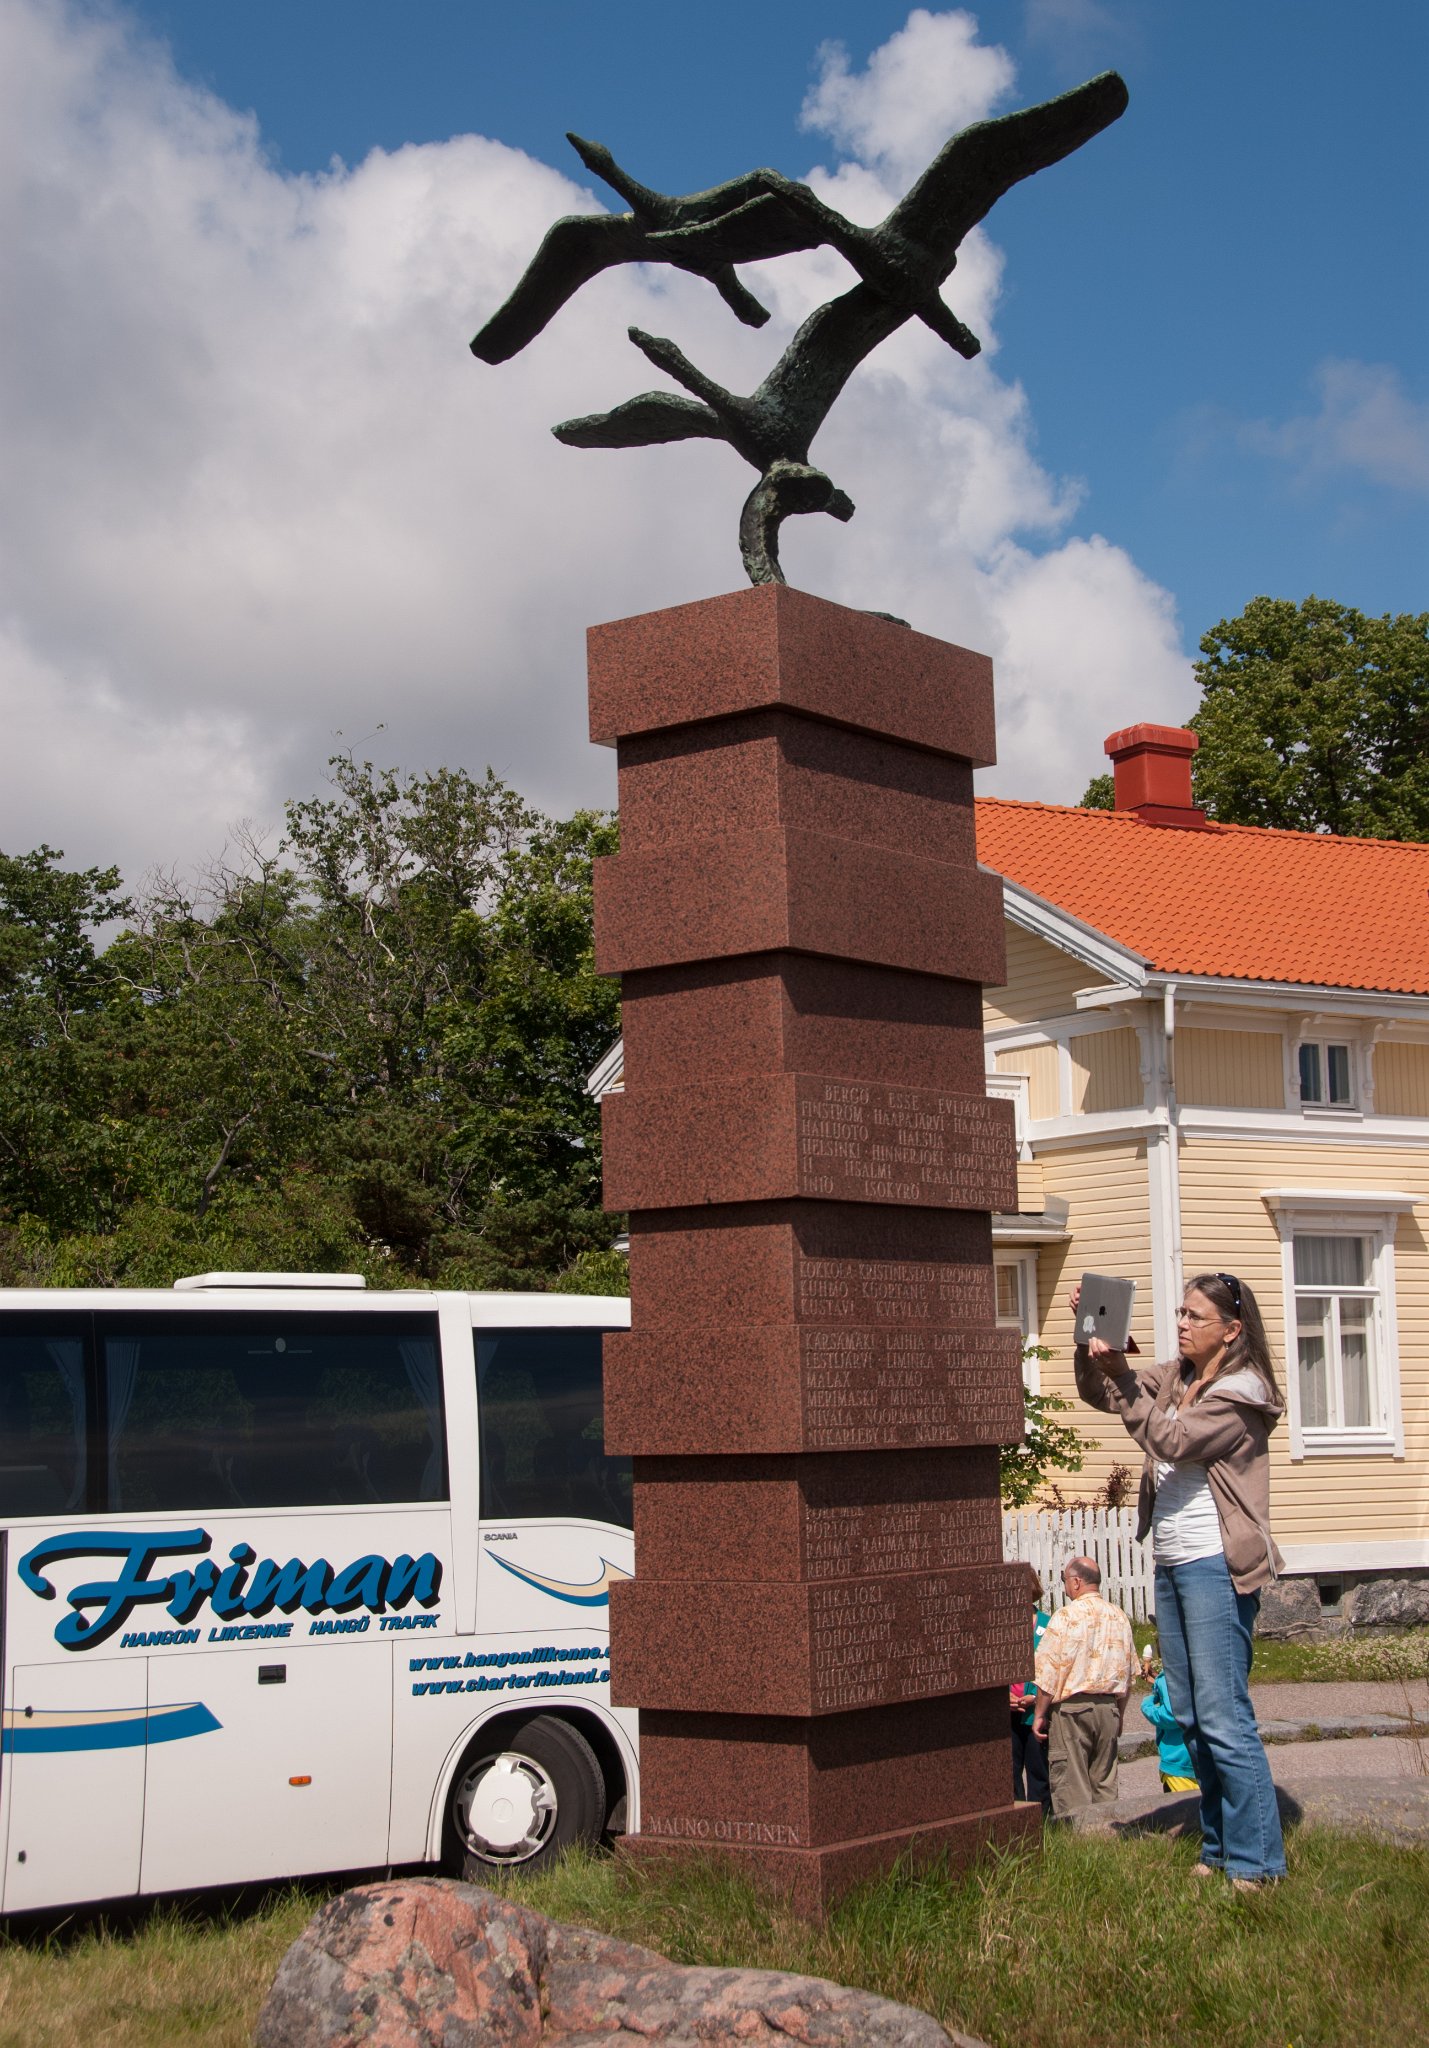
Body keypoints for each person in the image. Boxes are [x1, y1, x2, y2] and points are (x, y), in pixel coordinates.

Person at [1071, 1271, 1287, 1889]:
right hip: (1172, 1563)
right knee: (1189, 1715)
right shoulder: (1177, 1377)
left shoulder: (1241, 1395)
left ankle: (1258, 1861)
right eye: (1181, 1314)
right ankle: (1219, 1848)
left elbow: (1168, 1438)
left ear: (1232, 1330)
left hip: (1216, 1565)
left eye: (1196, 1316)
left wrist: (1120, 1373)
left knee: (1223, 1716)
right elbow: (1102, 1395)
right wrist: (1089, 1335)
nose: (1183, 1324)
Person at [1030, 1555, 1137, 1817]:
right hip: (1108, 1708)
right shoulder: (1119, 1617)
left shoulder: (1065, 1617)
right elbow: (1128, 1673)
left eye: (1064, 1579)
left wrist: (1040, 1714)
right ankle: (1107, 1834)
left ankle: (1080, 1838)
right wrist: (1120, 1714)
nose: (1065, 1586)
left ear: (1076, 1582)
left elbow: (1048, 1673)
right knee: (1105, 1784)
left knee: (1072, 1787)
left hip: (1072, 1711)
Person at [1009, 1573, 1051, 1812]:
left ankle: (1043, 1822)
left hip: (1037, 1711)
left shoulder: (1048, 1624)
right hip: (1010, 1711)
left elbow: (1054, 1667)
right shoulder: (1002, 1625)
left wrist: (1035, 1696)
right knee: (1011, 1773)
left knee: (1039, 1772)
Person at [1142, 1671, 1198, 1793]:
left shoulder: (1169, 1677)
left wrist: (1147, 1704)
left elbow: (1172, 1715)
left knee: (1184, 1804)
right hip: (1206, 1761)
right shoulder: (1205, 1672)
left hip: (1177, 1762)